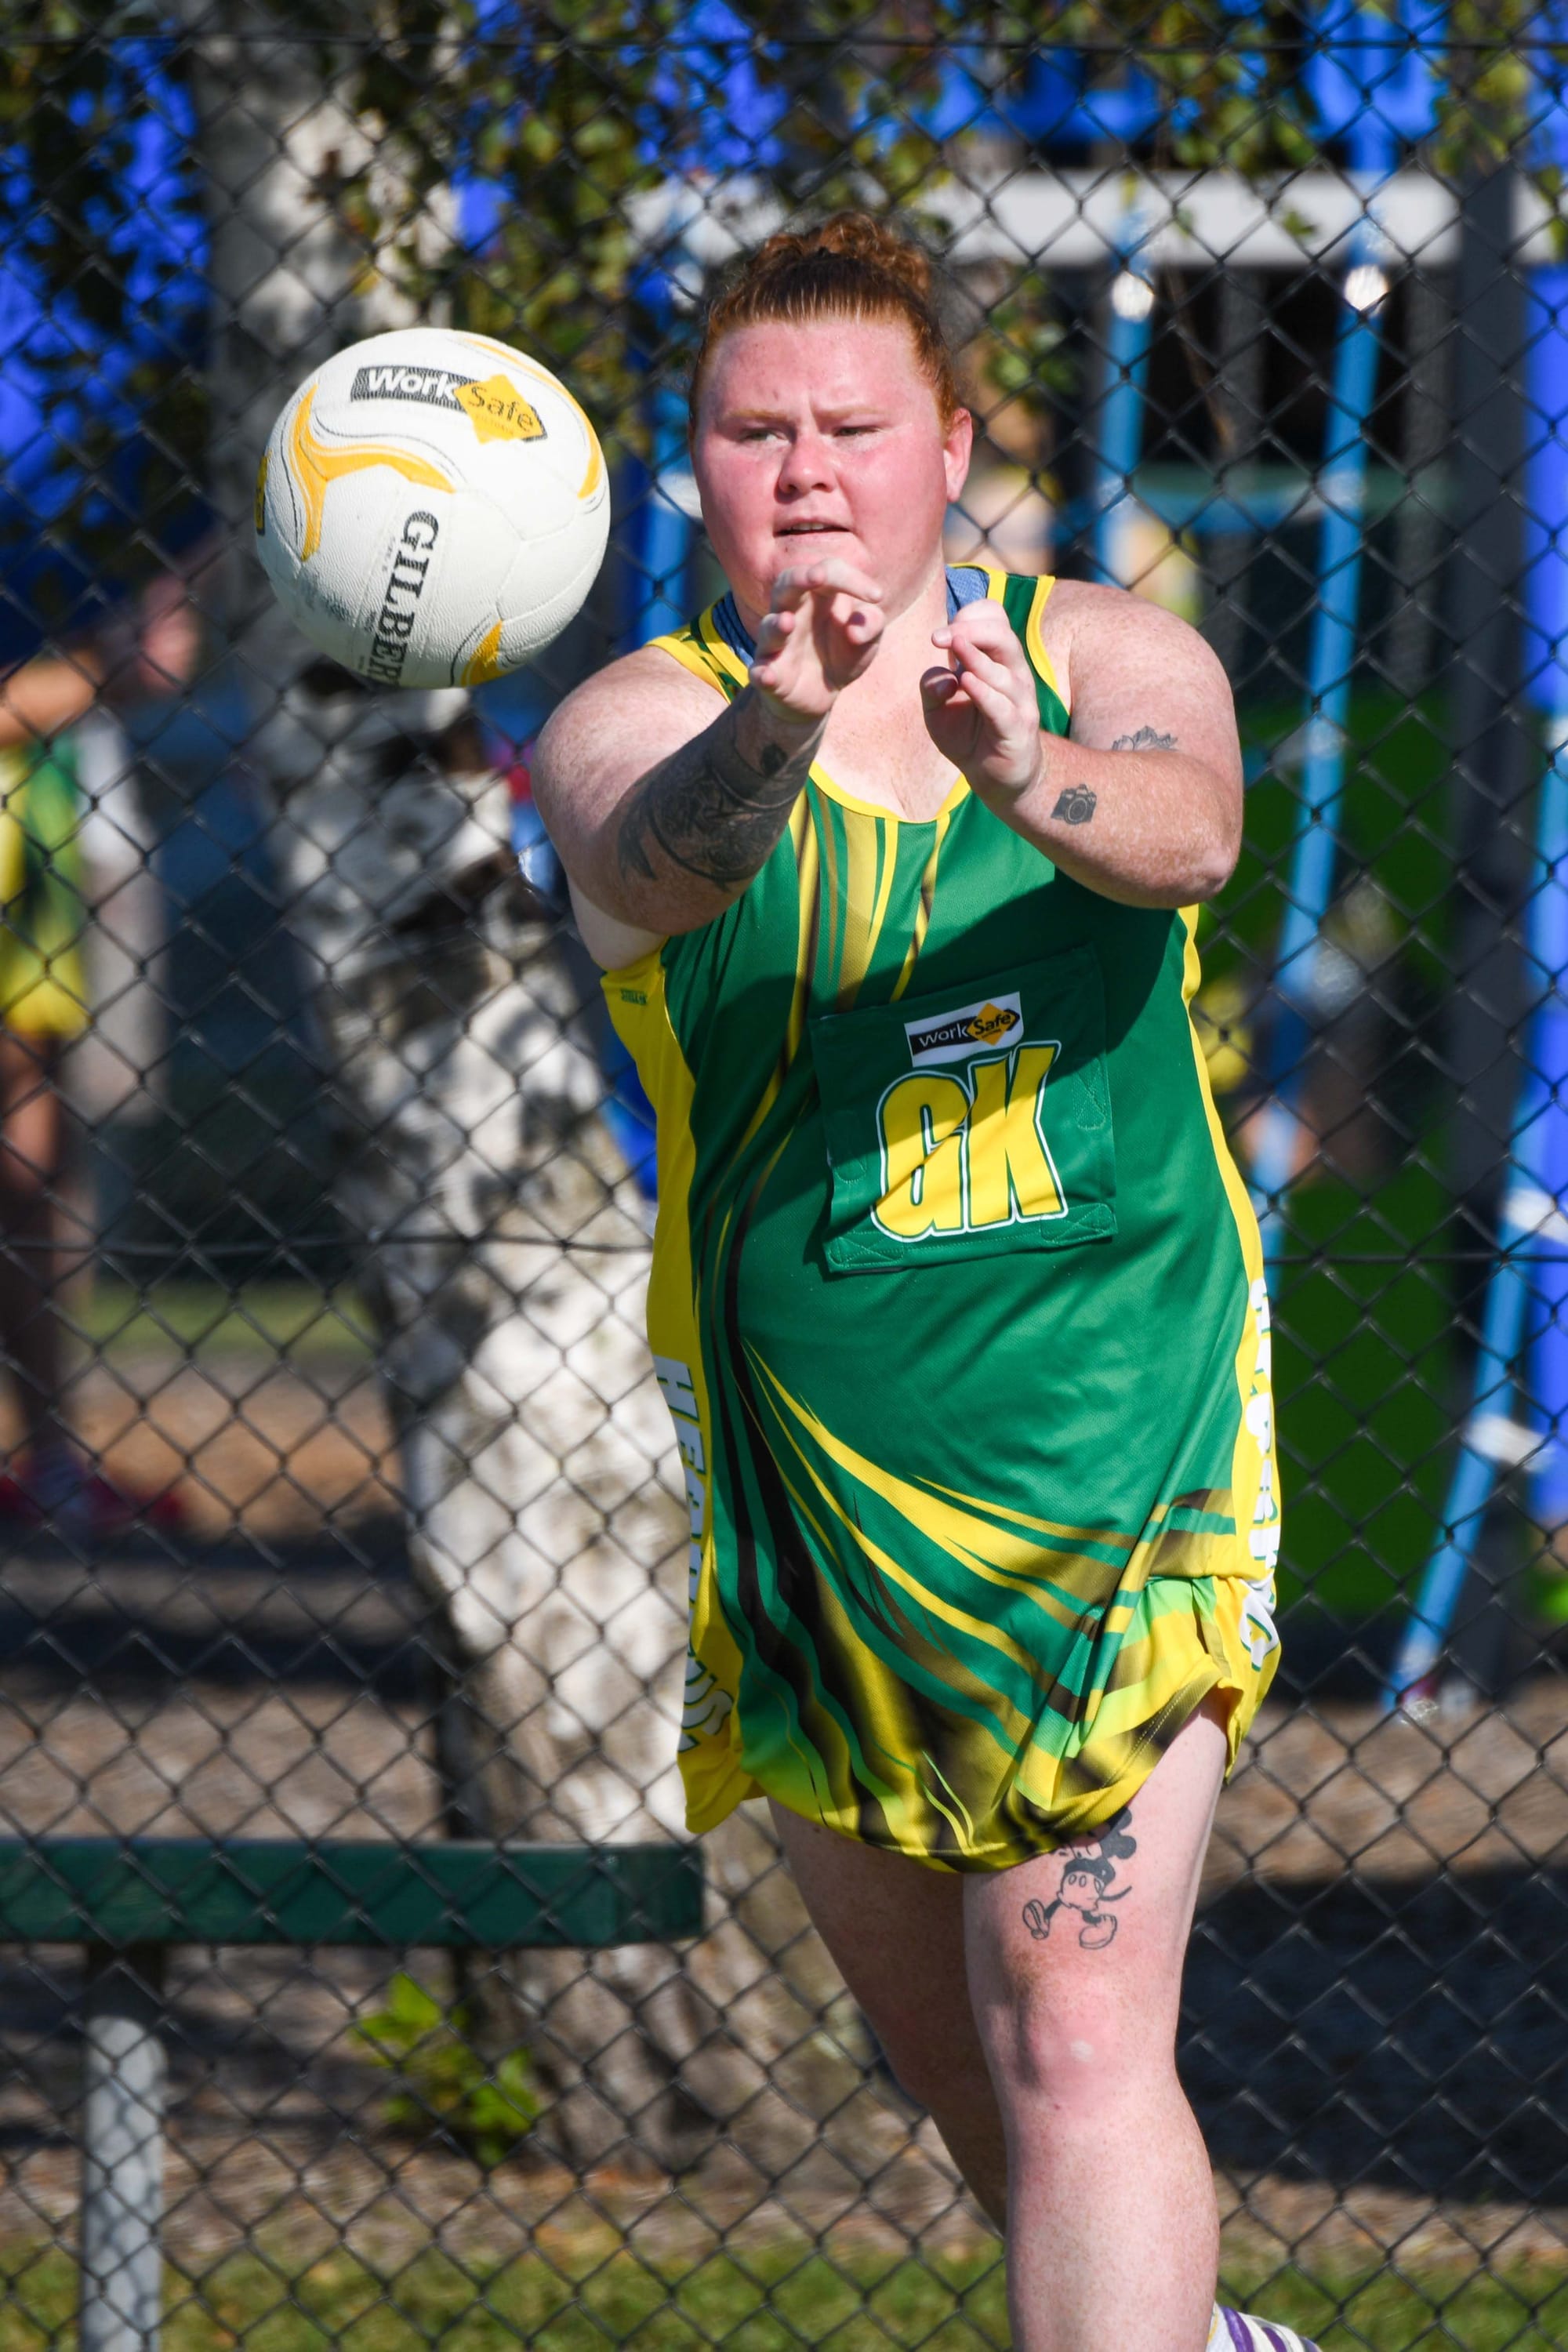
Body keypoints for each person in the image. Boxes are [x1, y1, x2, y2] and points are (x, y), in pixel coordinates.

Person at [535, 213, 1298, 2352]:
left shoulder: (1106, 654)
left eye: (853, 428)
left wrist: (1012, 768)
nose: (803, 469)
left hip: (1118, 1446)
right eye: (751, 429)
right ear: (690, 462)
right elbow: (643, 862)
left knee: (1069, 2029)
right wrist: (782, 722)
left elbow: (1191, 833)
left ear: (949, 447)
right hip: (818, 1494)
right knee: (973, 2083)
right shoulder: (638, 715)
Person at [0, 598, 192, 1534]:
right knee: (29, 1180)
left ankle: (51, 1462)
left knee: (37, 1184)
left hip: (36, 871)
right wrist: (98, 670)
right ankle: (49, 1462)